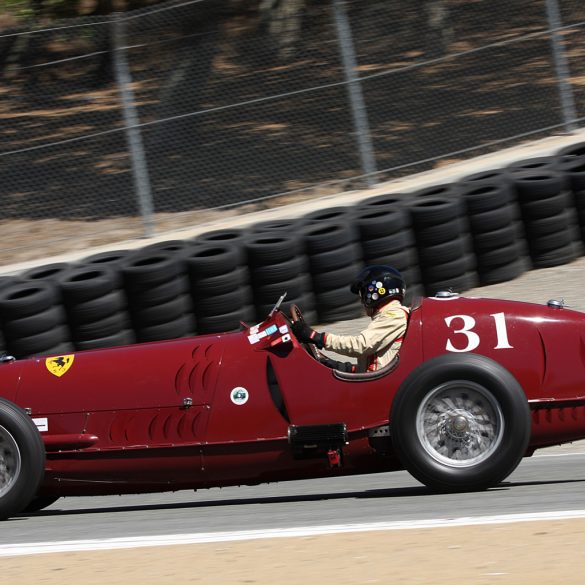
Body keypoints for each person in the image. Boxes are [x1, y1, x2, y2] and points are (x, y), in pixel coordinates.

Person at [292, 265, 410, 373]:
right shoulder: (389, 315)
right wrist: (341, 367)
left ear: (375, 292)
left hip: (376, 388)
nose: (361, 300)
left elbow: (361, 345)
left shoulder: (394, 316)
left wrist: (316, 337)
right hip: (375, 382)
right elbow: (375, 360)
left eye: (363, 293)